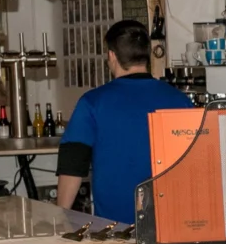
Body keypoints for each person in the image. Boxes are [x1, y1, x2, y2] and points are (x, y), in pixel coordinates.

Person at [56, 18, 191, 225]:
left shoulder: (92, 103)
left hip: (114, 228)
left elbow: (72, 166)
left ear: (111, 56)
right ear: (147, 56)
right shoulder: (181, 101)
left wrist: (60, 218)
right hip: (170, 225)